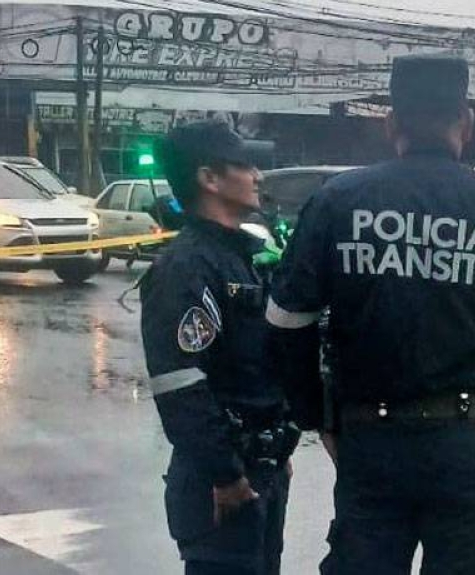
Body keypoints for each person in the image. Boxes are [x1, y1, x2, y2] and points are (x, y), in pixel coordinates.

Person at [266, 54, 475, 574]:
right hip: (472, 446)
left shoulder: (338, 202)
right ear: (467, 123)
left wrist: (319, 416)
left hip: (371, 441)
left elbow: (285, 327)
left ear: (391, 124)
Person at [140, 120, 299, 575]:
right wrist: (225, 473)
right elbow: (180, 385)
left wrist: (279, 450)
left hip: (260, 471)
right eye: (244, 165)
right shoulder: (186, 268)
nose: (258, 176)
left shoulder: (240, 258)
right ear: (209, 179)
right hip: (221, 484)